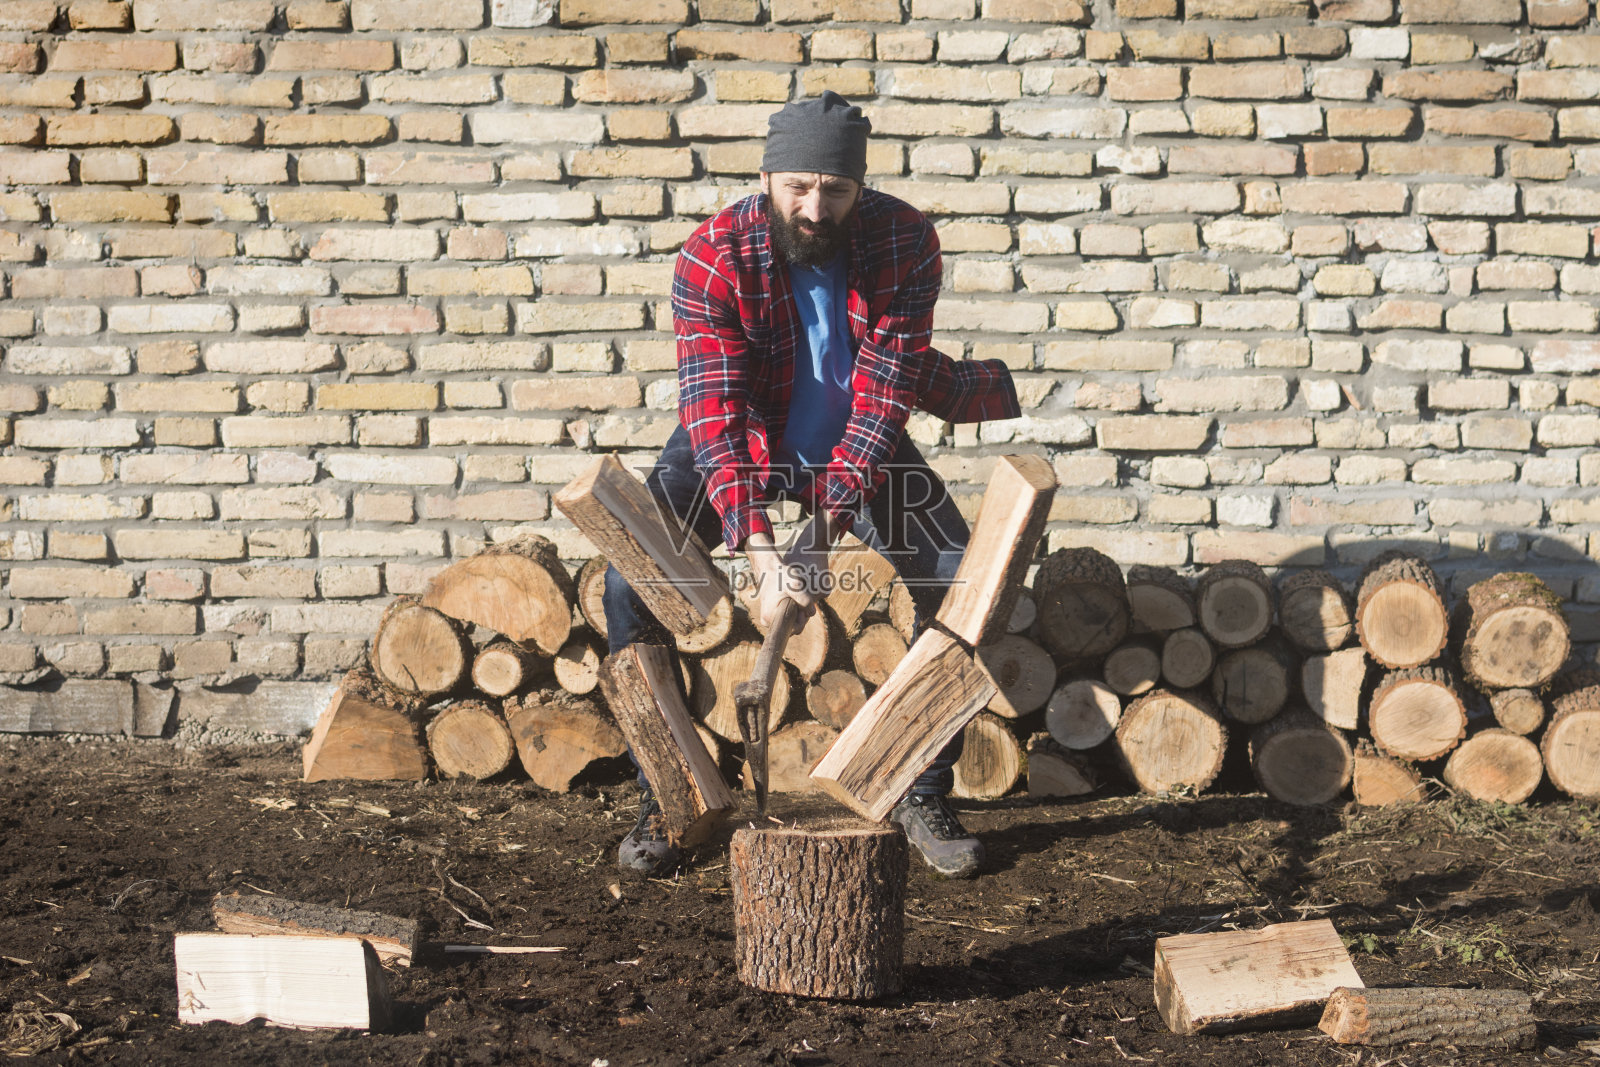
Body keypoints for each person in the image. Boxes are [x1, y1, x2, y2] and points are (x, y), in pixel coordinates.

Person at [603, 92, 1020, 879]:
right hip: (748, 431)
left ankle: (917, 786)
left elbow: (882, 401)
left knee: (959, 578)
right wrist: (766, 564)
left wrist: (820, 537)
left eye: (834, 190)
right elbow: (716, 421)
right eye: (797, 185)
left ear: (860, 190)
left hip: (854, 439)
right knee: (632, 584)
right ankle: (670, 792)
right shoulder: (711, 256)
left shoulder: (904, 240)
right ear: (766, 174)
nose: (813, 206)